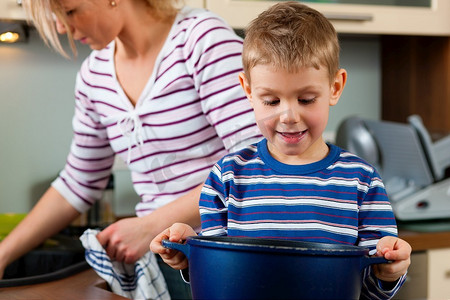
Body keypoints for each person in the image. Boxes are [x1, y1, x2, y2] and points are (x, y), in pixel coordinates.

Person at [0, 0, 261, 298]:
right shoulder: (93, 76)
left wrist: (148, 226)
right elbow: (78, 181)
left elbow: (252, 164)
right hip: (161, 257)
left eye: (69, 12)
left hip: (221, 252)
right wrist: (3, 253)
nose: (62, 28)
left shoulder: (200, 40)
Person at [150, 2, 412, 299]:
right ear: (248, 90)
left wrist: (389, 272)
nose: (288, 116)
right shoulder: (226, 176)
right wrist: (191, 253)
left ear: (335, 87)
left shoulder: (362, 181)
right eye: (271, 101)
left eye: (306, 99)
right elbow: (220, 277)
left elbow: (370, 291)